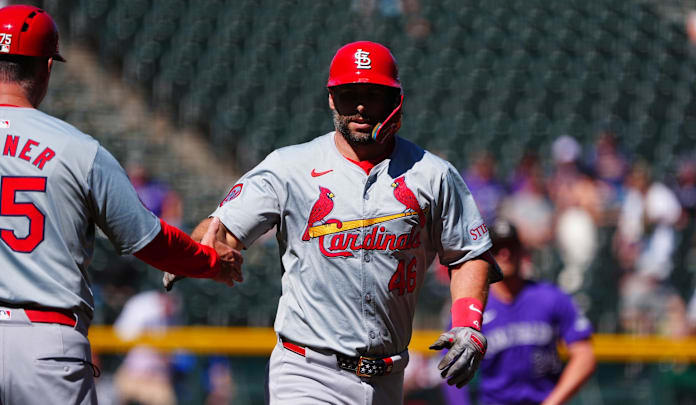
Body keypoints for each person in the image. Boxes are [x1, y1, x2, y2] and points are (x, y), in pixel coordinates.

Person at [165, 40, 502, 404]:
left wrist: (468, 323)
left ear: (395, 100)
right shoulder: (289, 168)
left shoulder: (432, 175)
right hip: (308, 371)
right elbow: (221, 232)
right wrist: (196, 253)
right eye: (347, 94)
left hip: (388, 378)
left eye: (371, 94)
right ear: (330, 98)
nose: (359, 105)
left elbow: (468, 253)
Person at [0, 5, 242, 405]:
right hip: (46, 342)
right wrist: (211, 262)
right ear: (47, 67)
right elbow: (148, 240)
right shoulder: (78, 149)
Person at [443, 219, 596, 405]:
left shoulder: (551, 298)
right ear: (487, 254)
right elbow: (450, 370)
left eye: (511, 247)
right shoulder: (473, 307)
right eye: (498, 248)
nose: (505, 254)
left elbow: (584, 355)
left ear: (522, 251)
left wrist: (553, 402)